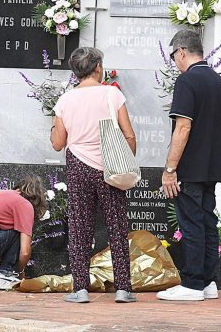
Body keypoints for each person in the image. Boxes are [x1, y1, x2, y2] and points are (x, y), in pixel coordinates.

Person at [51, 47, 137, 303]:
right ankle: (123, 289)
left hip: (78, 166)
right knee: (116, 227)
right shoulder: (112, 94)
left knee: (79, 228)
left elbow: (58, 143)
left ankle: (80, 289)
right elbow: (129, 134)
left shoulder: (65, 100)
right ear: (98, 67)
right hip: (109, 167)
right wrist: (124, 160)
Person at [157, 30, 221, 301]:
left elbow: (183, 127)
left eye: (174, 55)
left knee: (191, 225)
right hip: (212, 165)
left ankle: (192, 284)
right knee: (208, 222)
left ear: (182, 52)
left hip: (190, 167)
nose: (175, 61)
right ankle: (209, 281)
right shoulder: (216, 80)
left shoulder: (187, 81)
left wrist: (170, 169)